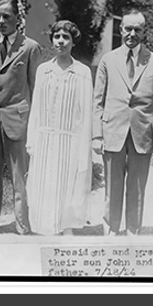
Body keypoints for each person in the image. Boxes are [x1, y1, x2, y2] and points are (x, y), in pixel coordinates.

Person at [92, 9, 153, 236]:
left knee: (138, 188)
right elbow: (97, 101)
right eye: (128, 28)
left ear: (144, 32)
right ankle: (110, 231)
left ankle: (132, 233)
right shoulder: (107, 60)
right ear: (121, 30)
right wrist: (96, 135)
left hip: (143, 132)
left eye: (137, 29)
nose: (132, 33)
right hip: (112, 131)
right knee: (112, 187)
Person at [0, 0, 43, 236]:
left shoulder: (31, 47)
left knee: (19, 178)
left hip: (17, 120)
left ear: (18, 17)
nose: (1, 21)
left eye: (6, 16)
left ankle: (22, 223)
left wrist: (34, 125)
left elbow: (35, 88)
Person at [26, 20, 93, 236]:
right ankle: (43, 226)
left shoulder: (82, 72)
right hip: (45, 136)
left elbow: (85, 112)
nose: (61, 41)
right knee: (44, 180)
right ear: (52, 40)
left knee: (66, 182)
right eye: (57, 37)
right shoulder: (43, 70)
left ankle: (66, 227)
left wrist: (85, 144)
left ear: (73, 43)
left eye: (66, 38)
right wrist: (32, 138)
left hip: (69, 139)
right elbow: (36, 107)